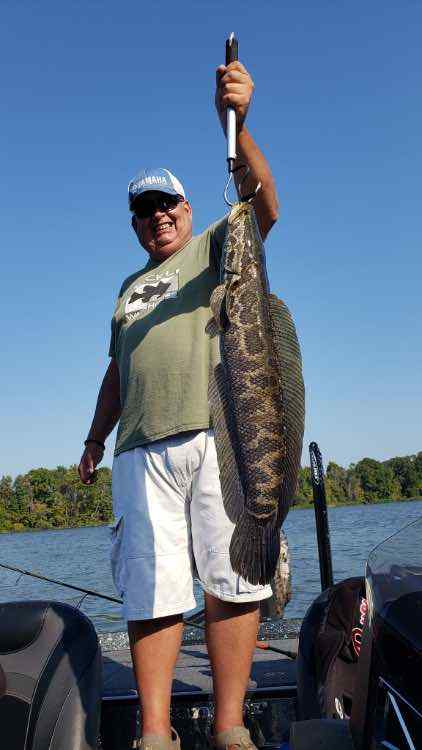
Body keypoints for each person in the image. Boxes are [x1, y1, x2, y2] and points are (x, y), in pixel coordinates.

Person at [79, 60, 279, 750]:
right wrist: (92, 439)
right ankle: (155, 734)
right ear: (134, 223)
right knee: (151, 591)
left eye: (167, 204)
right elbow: (116, 371)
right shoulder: (127, 290)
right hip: (138, 449)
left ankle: (229, 729)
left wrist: (240, 124)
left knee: (232, 578)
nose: (157, 216)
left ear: (188, 209)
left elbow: (265, 204)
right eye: (144, 209)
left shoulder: (215, 249)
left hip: (219, 435)